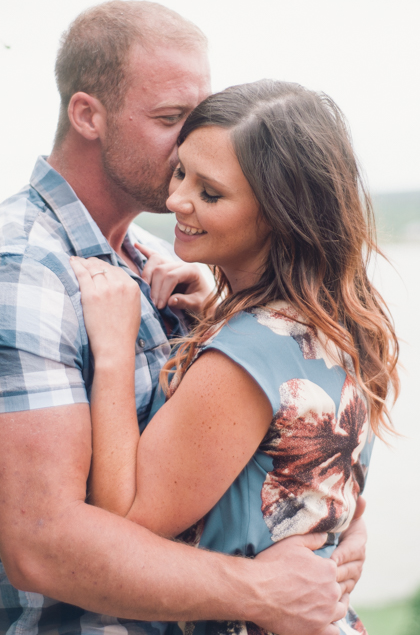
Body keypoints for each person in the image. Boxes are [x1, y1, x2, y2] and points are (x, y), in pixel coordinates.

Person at [0, 1, 366, 635]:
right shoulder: (19, 276)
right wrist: (262, 592)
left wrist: (336, 525)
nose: (194, 139)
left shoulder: (160, 263)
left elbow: (251, 448)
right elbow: (42, 543)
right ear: (88, 115)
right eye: (170, 119)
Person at [70, 80, 401, 635]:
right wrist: (215, 313)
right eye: (181, 172)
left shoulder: (245, 357)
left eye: (211, 193)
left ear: (277, 213)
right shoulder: (338, 321)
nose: (176, 200)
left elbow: (126, 522)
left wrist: (112, 349)